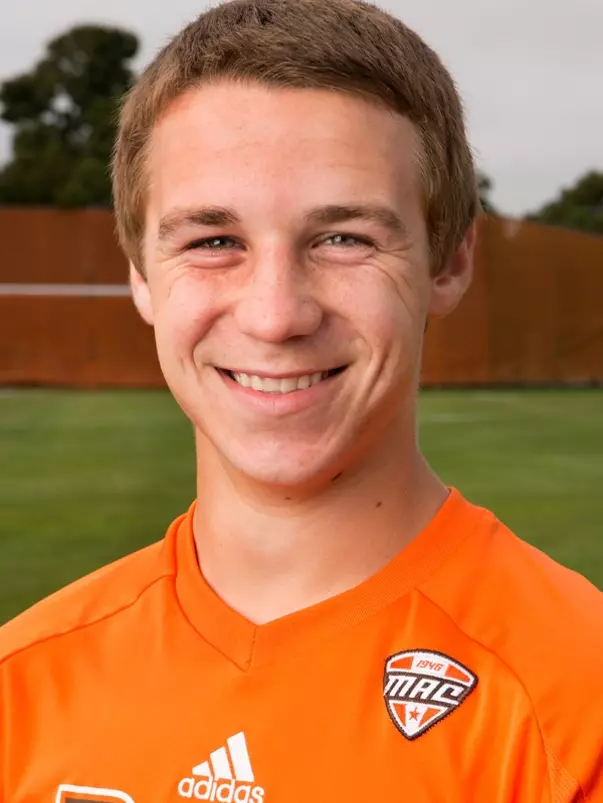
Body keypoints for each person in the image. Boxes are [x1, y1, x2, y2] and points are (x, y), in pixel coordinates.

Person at [1, 0, 601, 800]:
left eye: (343, 238)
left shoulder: (576, 702)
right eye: (213, 241)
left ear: (449, 263)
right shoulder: (22, 686)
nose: (276, 314)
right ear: (141, 275)